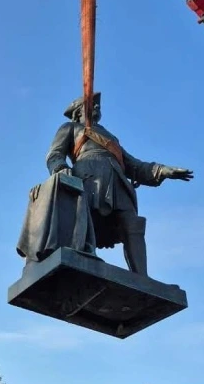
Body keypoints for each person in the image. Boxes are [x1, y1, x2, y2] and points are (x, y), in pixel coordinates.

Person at [44, 93, 193, 276]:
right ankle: (84, 261)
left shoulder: (111, 138)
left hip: (117, 181)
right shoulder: (70, 128)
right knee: (85, 220)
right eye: (92, 105)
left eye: (99, 106)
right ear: (77, 112)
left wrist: (162, 170)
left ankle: (141, 277)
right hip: (88, 178)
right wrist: (60, 167)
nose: (97, 107)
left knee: (132, 224)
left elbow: (133, 165)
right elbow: (54, 154)